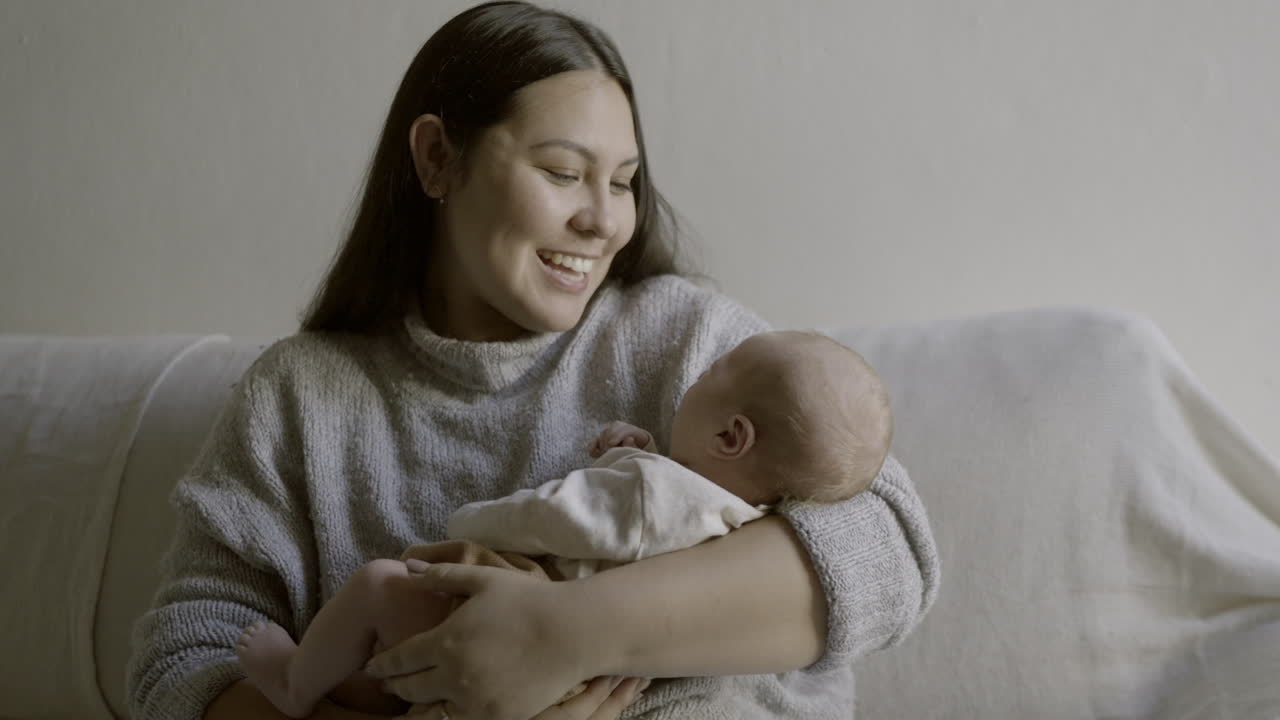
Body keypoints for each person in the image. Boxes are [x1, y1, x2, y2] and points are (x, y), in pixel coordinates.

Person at [127, 2, 940, 719]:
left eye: (622, 182)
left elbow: (886, 551)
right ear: (438, 158)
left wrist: (564, 635)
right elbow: (181, 660)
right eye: (562, 173)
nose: (602, 220)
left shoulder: (686, 335)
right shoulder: (300, 396)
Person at [233, 329, 894, 719]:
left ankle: (293, 683)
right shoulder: (730, 515)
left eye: (716, 370)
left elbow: (566, 522)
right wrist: (639, 454)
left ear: (731, 434)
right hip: (578, 688)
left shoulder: (654, 493)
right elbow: (652, 517)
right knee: (396, 673)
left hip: (518, 598)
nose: (699, 371)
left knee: (379, 589)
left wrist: (482, 521)